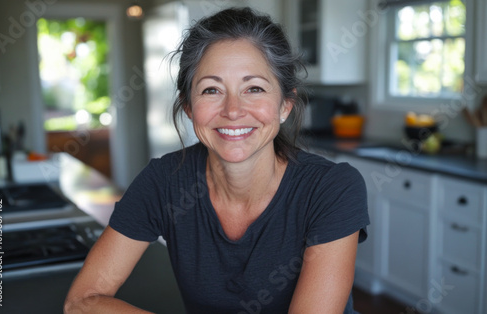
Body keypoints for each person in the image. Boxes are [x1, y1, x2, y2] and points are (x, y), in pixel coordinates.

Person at [64, 7, 369, 314]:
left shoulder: (331, 189)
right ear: (188, 107)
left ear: (284, 106)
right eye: (211, 89)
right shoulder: (164, 181)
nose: (233, 110)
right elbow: (81, 302)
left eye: (254, 88)